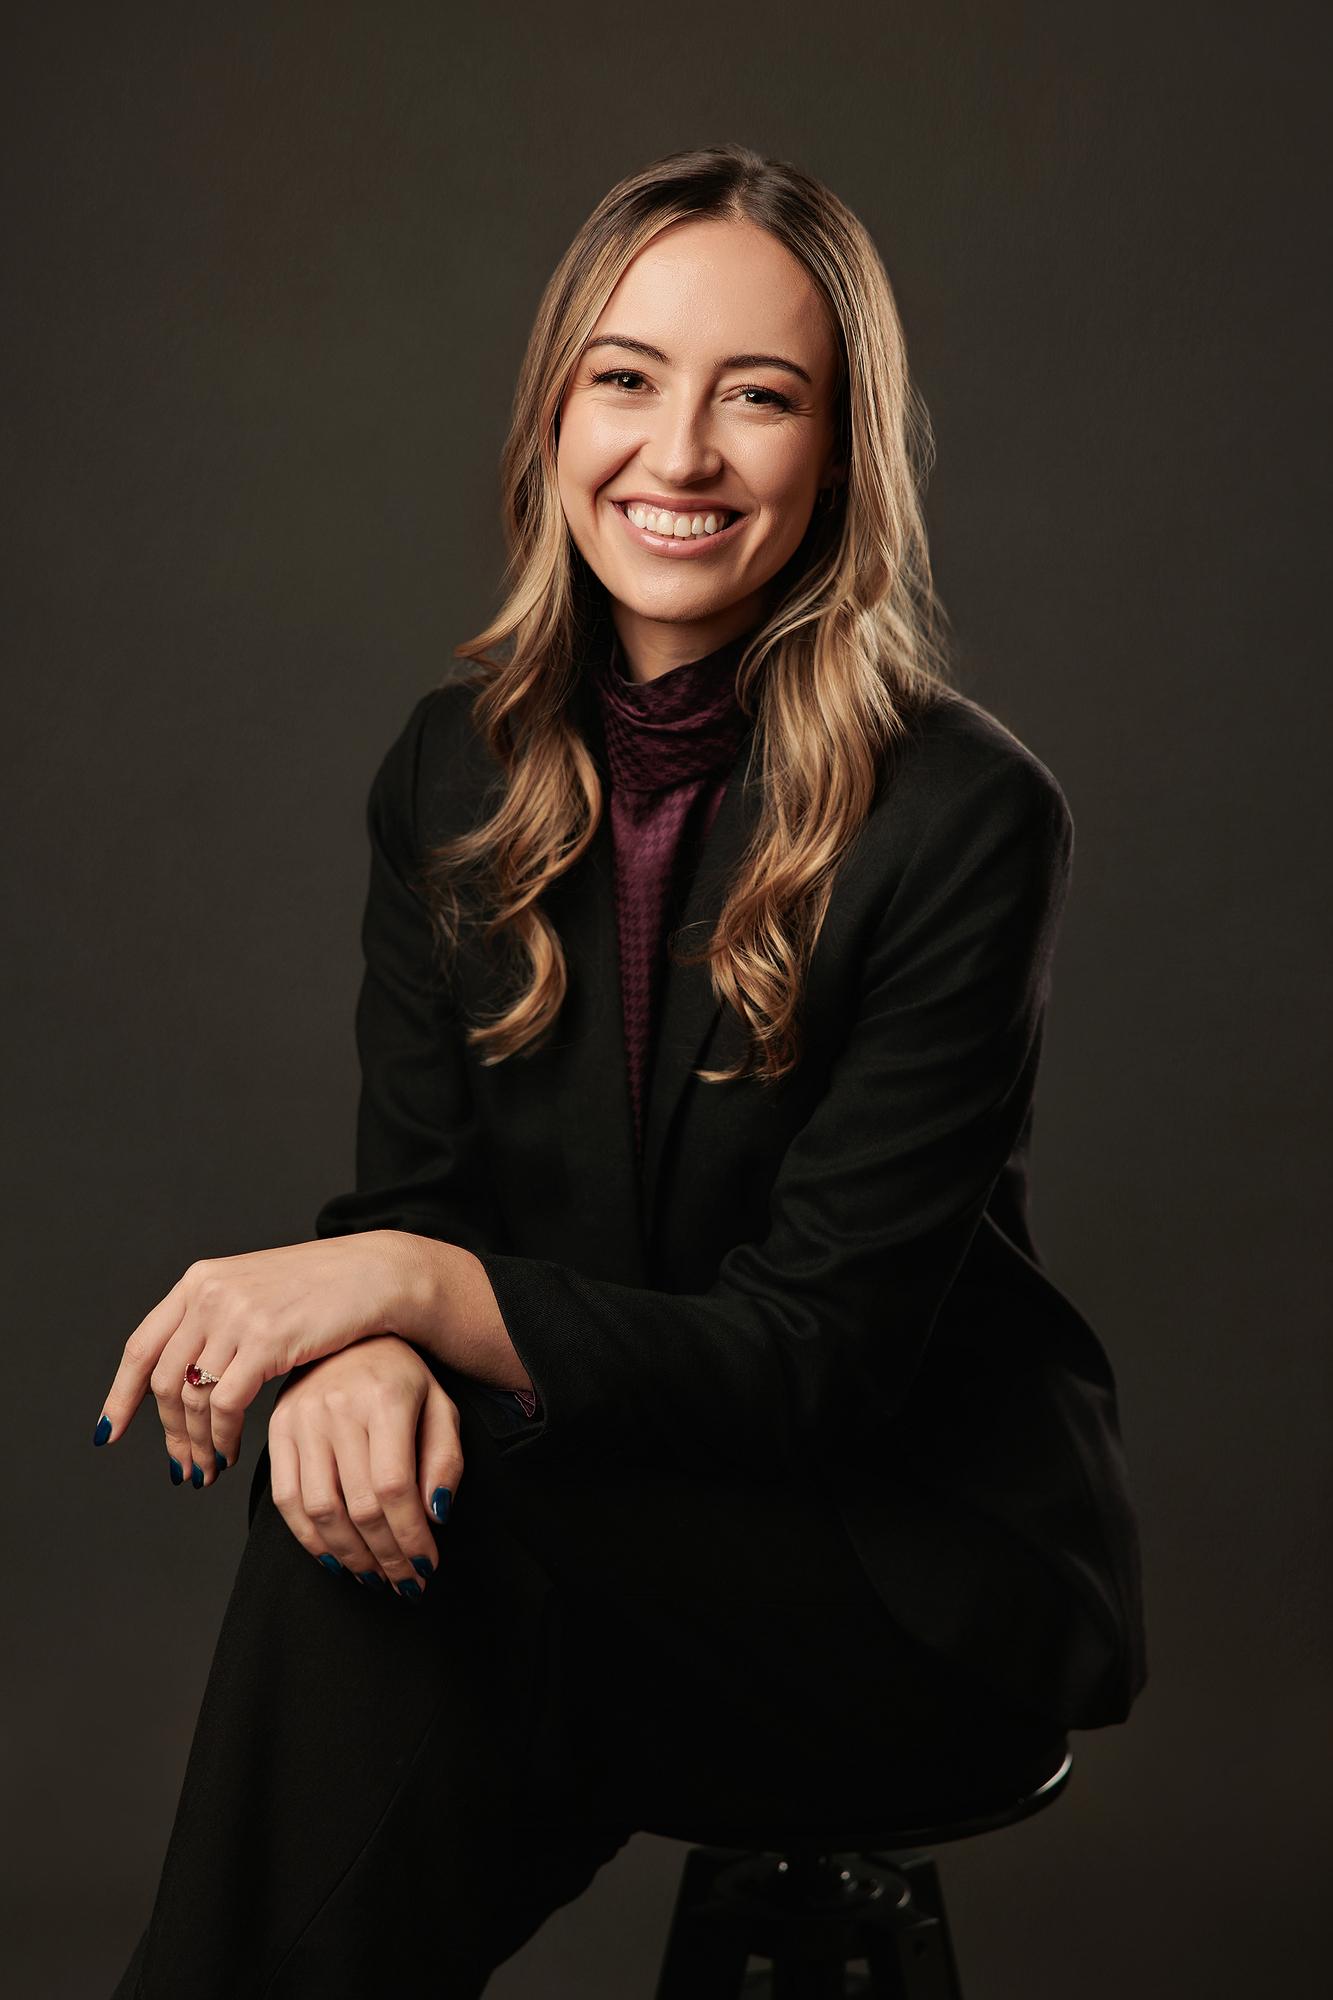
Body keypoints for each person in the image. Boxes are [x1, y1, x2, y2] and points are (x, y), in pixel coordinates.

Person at [101, 142, 1147, 1998]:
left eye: (758, 396)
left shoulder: (969, 818)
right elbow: (416, 1196)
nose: (678, 454)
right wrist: (356, 1350)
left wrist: (405, 1296)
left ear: (837, 456)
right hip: (583, 1520)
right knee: (364, 1509)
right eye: (626, 378)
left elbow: (812, 1362)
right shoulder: (449, 772)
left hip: (898, 1587)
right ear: (554, 414)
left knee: (412, 1552)